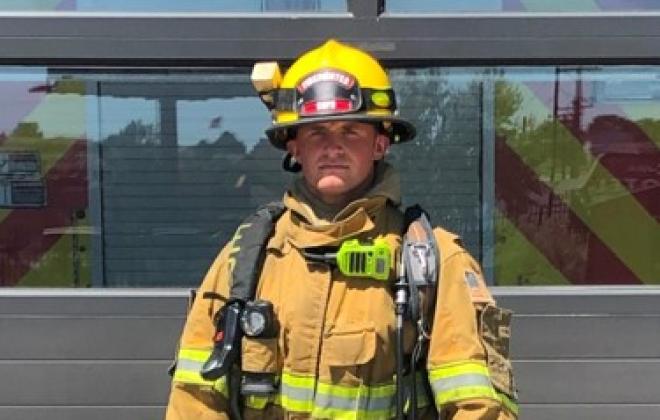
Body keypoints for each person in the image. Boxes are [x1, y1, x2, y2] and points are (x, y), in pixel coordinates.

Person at [165, 39, 518, 420]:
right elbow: (196, 398)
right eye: (317, 132)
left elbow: (479, 408)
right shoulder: (248, 256)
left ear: (380, 144)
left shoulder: (432, 259)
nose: (333, 147)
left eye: (351, 132)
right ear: (294, 147)